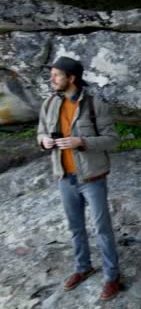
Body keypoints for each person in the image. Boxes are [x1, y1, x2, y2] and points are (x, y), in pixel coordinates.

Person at [36, 56, 121, 300]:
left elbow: (113, 139)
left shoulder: (96, 105)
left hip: (92, 178)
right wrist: (43, 141)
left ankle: (112, 276)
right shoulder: (49, 103)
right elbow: (41, 131)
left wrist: (81, 141)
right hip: (64, 177)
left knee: (102, 229)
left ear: (71, 78)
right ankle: (83, 268)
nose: (51, 79)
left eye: (56, 75)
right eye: (51, 75)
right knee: (75, 228)